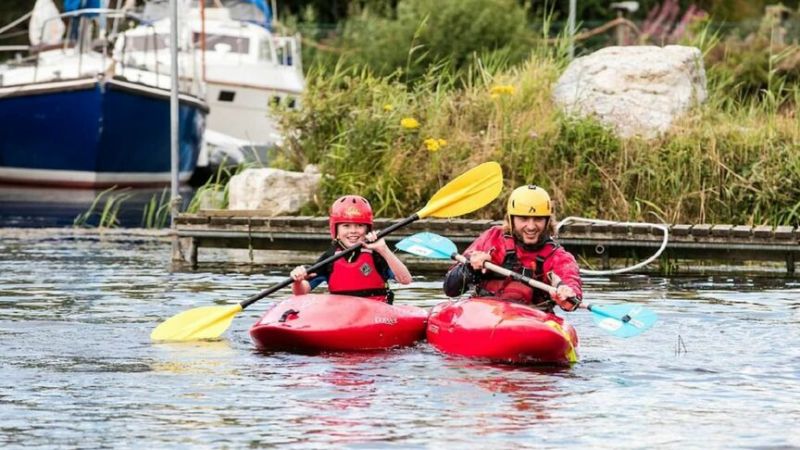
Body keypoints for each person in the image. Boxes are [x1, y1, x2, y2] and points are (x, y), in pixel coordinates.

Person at [443, 185, 582, 313]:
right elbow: (450, 289)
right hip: (484, 313)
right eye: (524, 219)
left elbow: (571, 288)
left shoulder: (558, 257)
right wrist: (470, 268)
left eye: (538, 219)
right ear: (511, 219)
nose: (531, 226)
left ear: (547, 221)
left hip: (530, 320)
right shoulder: (493, 238)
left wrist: (566, 293)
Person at [289, 195, 412, 304]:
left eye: (359, 225)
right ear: (336, 230)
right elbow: (301, 292)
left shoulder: (377, 255)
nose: (353, 231)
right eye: (346, 226)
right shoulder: (330, 257)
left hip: (375, 314)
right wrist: (297, 282)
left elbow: (406, 280)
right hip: (342, 315)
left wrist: (384, 250)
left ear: (367, 229)